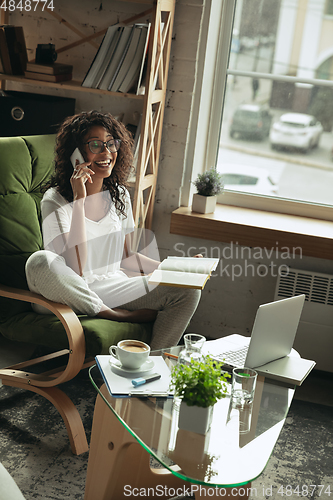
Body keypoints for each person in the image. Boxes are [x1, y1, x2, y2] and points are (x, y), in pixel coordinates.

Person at [25, 111, 201, 350]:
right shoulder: (53, 200)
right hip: (69, 289)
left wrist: (176, 270)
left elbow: (127, 258)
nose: (107, 152)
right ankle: (110, 313)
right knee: (39, 261)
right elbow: (75, 268)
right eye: (95, 145)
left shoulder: (119, 194)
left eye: (111, 143)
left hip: (111, 285)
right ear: (75, 153)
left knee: (188, 290)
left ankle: (155, 366)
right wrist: (79, 198)